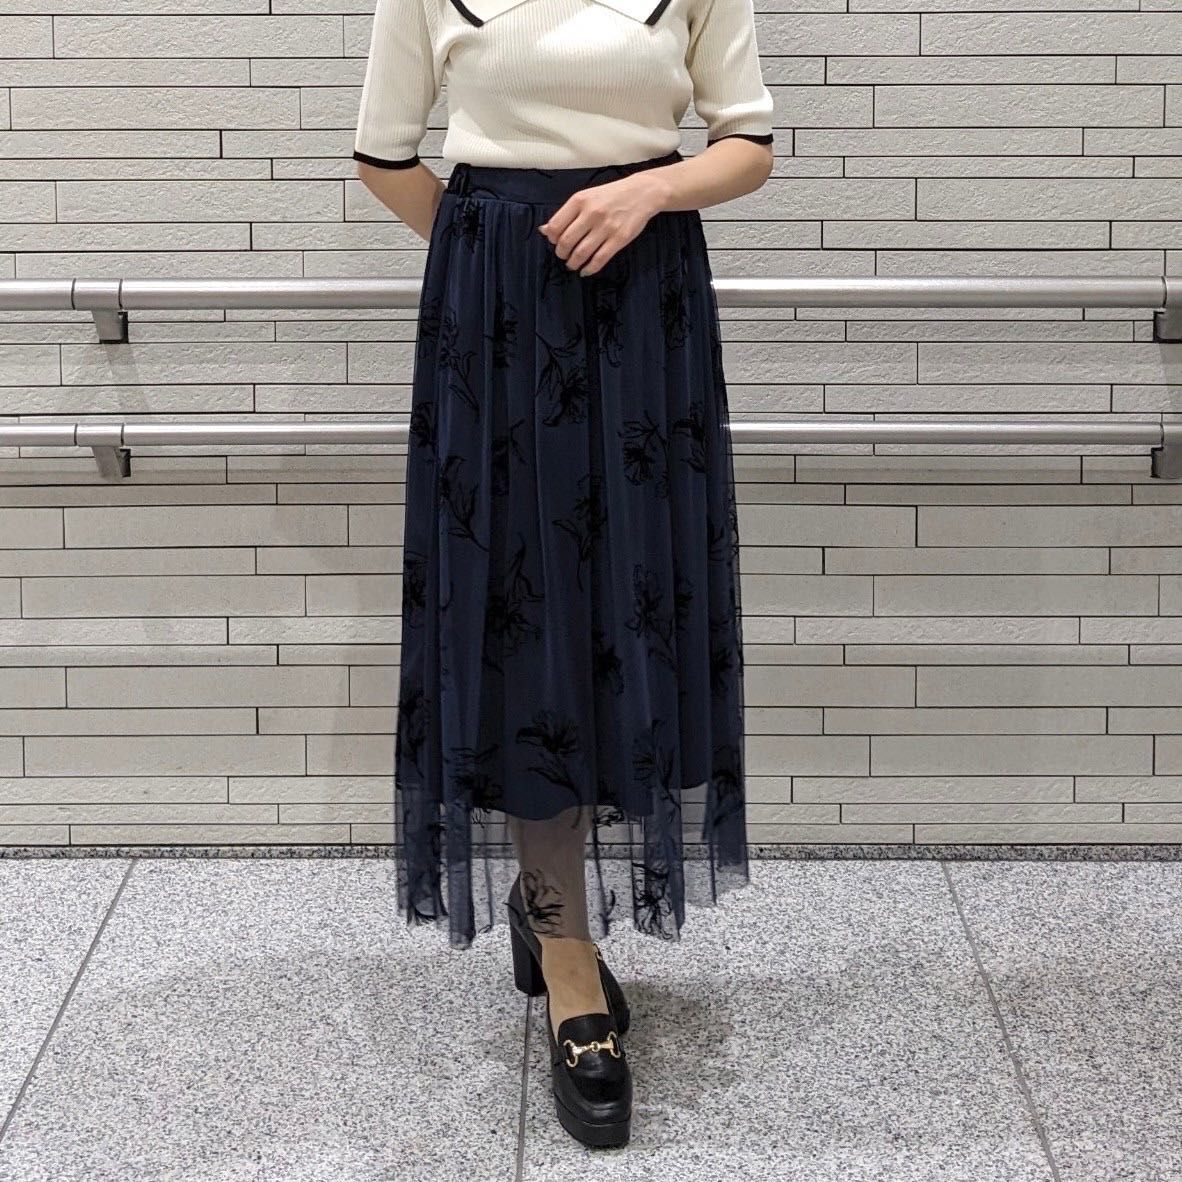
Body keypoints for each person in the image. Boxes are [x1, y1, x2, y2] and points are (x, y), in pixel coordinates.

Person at [353, 0, 773, 1148]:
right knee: (526, 620)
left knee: (631, 602)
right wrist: (491, 264)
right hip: (497, 321)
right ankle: (566, 950)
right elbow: (384, 154)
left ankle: (550, 915)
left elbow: (747, 142)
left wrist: (651, 191)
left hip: (646, 309)